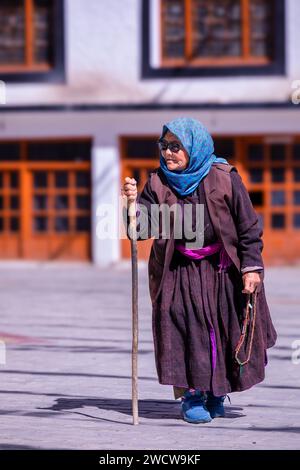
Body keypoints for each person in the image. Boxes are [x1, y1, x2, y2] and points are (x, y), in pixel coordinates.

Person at [122, 117, 277, 424]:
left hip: (222, 271)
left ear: (195, 147)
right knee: (185, 331)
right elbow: (140, 231)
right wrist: (130, 205)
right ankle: (193, 394)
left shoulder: (224, 177)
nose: (168, 153)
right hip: (177, 271)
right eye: (164, 146)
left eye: (176, 147)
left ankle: (217, 391)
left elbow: (248, 228)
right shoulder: (157, 182)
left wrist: (251, 269)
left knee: (222, 329)